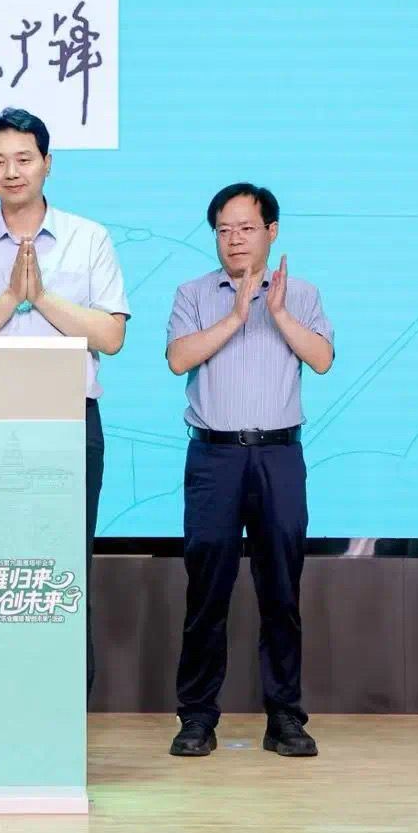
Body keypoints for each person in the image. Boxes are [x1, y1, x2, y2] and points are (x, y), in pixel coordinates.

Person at [0, 107, 128, 688]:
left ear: (47, 163)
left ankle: (64, 709)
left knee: (65, 569)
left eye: (24, 159)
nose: (12, 172)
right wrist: (11, 297)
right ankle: (2, 703)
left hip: (69, 422)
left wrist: (44, 297)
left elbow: (111, 335)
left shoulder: (89, 238)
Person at [164, 184, 334, 758]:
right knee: (206, 591)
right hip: (214, 456)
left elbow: (322, 358)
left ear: (271, 231)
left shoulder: (301, 293)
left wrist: (276, 313)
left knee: (281, 591)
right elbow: (179, 358)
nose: (234, 239)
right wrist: (237, 315)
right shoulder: (193, 293)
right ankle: (196, 717)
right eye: (223, 230)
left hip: (278, 455)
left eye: (246, 228)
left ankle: (285, 717)